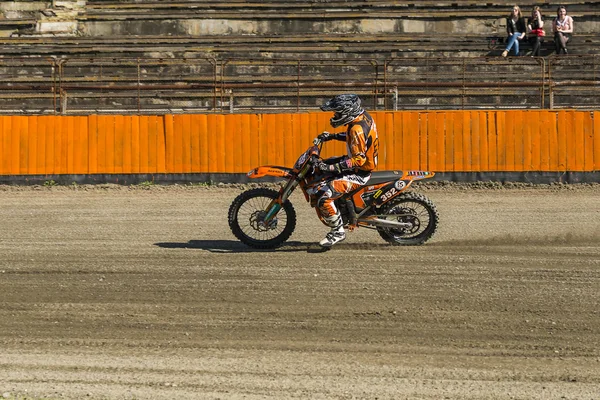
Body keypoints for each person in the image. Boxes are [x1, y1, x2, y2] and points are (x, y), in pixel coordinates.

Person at [315, 94, 379, 247]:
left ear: (347, 112)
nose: (335, 116)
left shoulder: (356, 129)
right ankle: (343, 208)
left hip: (359, 172)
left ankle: (338, 232)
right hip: (359, 165)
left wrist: (333, 168)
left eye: (337, 113)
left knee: (324, 196)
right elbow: (355, 138)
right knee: (325, 163)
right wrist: (333, 136)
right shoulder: (363, 118)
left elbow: (359, 160)